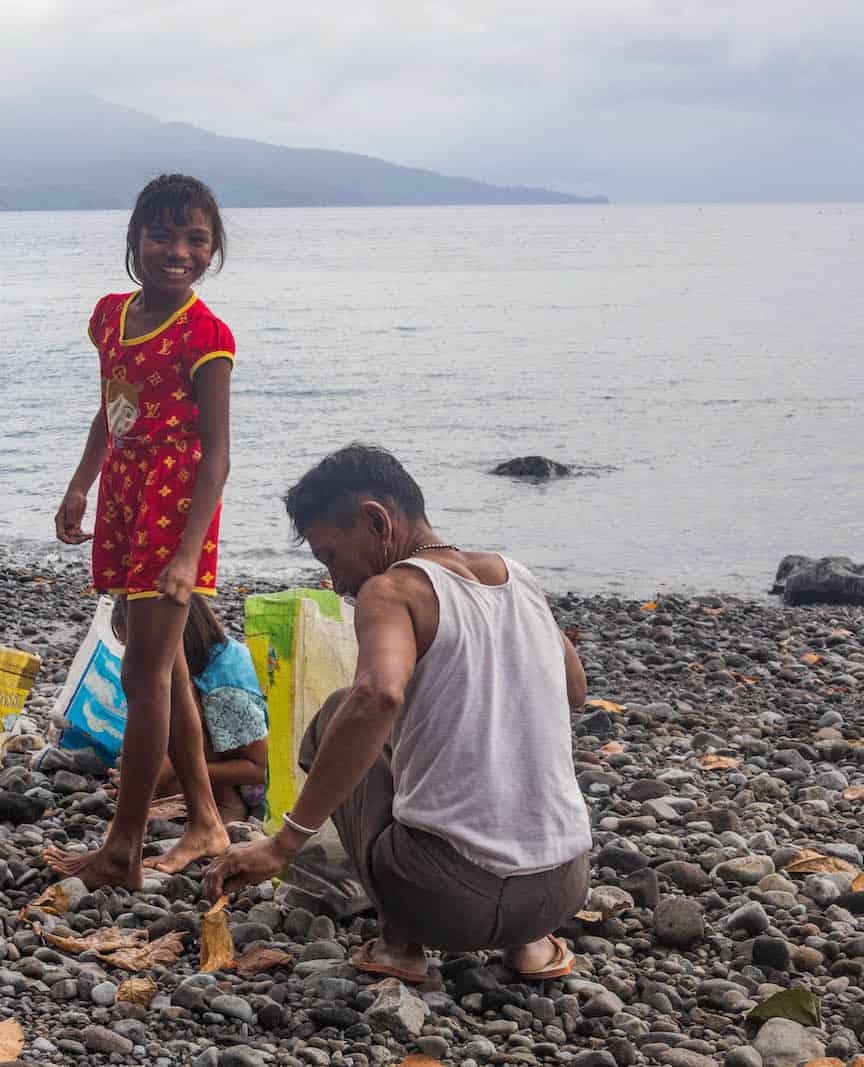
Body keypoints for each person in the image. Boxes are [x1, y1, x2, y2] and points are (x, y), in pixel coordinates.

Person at [206, 444, 592, 982]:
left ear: (376, 521)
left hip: (444, 903)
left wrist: (285, 842)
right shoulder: (516, 576)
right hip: (562, 890)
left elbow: (378, 697)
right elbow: (573, 690)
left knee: (343, 712)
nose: (335, 581)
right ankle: (528, 944)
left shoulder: (392, 590)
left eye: (331, 557)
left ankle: (400, 944)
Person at [47, 174, 237, 889]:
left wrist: (189, 552)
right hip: (127, 493)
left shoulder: (206, 335)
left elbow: (217, 455)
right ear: (135, 239)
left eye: (195, 238)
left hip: (177, 500)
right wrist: (80, 482)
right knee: (165, 665)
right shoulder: (109, 316)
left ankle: (123, 849)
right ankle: (205, 819)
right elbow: (112, 409)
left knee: (143, 671)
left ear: (213, 248)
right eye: (162, 234)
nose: (177, 251)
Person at [111, 595, 268, 823]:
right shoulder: (211, 656)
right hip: (234, 756)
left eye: (135, 648)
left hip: (263, 787)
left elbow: (260, 769)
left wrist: (179, 768)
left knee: (172, 757)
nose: (131, 659)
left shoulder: (222, 690)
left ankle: (227, 806)